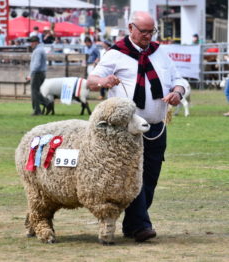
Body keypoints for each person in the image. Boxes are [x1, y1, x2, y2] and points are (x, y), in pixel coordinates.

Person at [87, 11, 185, 243]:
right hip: (127, 131)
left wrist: (177, 93)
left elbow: (179, 79)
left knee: (150, 178)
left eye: (152, 31)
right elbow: (92, 80)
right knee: (135, 177)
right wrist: (104, 81)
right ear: (131, 28)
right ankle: (141, 225)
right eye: (144, 31)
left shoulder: (159, 53)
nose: (148, 36)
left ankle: (132, 224)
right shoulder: (115, 54)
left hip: (156, 127)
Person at [26, 36, 52, 116]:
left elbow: (36, 64)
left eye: (32, 42)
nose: (31, 44)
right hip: (41, 73)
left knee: (34, 92)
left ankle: (38, 110)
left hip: (37, 73)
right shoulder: (41, 50)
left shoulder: (37, 51)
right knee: (36, 92)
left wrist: (30, 74)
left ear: (36, 42)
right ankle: (47, 104)